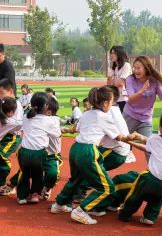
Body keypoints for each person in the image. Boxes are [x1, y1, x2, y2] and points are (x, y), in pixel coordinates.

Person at [51, 87, 137, 225]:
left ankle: (60, 204)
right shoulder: (105, 117)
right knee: (108, 188)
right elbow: (119, 137)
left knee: (76, 178)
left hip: (75, 148)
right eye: (111, 102)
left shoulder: (87, 113)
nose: (112, 104)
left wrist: (67, 129)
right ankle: (81, 210)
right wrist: (134, 137)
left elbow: (76, 129)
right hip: (88, 151)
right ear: (104, 103)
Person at [113, 110, 162, 226]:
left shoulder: (155, 139)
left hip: (151, 180)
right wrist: (138, 137)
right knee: (158, 197)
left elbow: (147, 147)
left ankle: (125, 214)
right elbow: (151, 145)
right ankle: (150, 217)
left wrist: (130, 142)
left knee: (136, 195)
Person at [15, 93, 63, 204]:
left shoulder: (26, 117)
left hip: (24, 152)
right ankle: (35, 194)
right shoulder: (49, 121)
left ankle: (21, 196)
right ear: (46, 107)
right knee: (38, 174)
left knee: (24, 174)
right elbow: (57, 134)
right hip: (39, 153)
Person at [122, 56, 162, 137]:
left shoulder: (154, 81)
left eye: (138, 68)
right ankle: (128, 150)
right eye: (134, 68)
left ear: (146, 68)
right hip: (130, 116)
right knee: (121, 141)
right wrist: (142, 91)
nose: (135, 70)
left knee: (150, 145)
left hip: (146, 119)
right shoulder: (130, 79)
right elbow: (130, 99)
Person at [107, 45, 132, 111]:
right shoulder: (115, 68)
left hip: (125, 99)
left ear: (120, 54)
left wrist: (112, 81)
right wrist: (109, 78)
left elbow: (121, 83)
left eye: (113, 53)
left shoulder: (126, 65)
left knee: (124, 120)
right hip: (116, 98)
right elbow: (108, 86)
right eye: (111, 53)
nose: (111, 55)